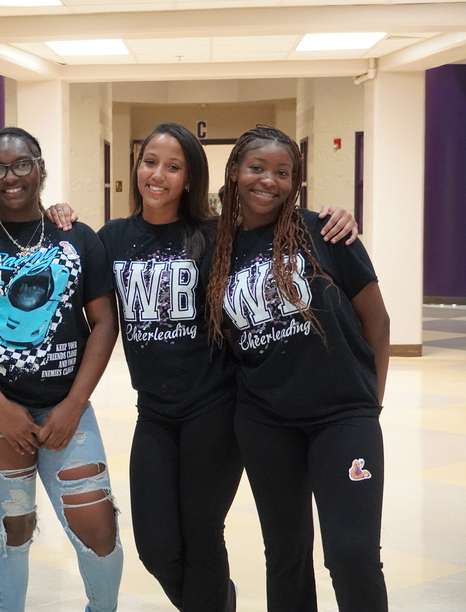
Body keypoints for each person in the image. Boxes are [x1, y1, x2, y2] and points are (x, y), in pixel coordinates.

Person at [75, 123, 359, 611]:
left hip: (216, 406)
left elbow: (275, 239)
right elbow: (67, 261)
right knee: (157, 546)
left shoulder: (213, 236)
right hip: (155, 413)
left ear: (191, 178)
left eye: (173, 165)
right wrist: (55, 214)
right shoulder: (111, 239)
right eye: (149, 162)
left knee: (203, 534)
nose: (157, 174)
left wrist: (337, 215)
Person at [0, 127, 123, 612]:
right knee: (14, 527)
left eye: (21, 164)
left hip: (65, 405)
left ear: (40, 167)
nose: (10, 176)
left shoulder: (77, 238)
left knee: (99, 527)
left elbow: (103, 322)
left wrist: (74, 404)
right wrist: (0, 408)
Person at [205, 125, 389, 611]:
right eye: (257, 168)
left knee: (352, 555)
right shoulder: (220, 247)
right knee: (285, 554)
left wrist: (371, 402)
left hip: (342, 416)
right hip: (265, 421)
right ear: (235, 172)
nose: (269, 180)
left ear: (296, 181)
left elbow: (378, 319)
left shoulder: (326, 232)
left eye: (283, 172)